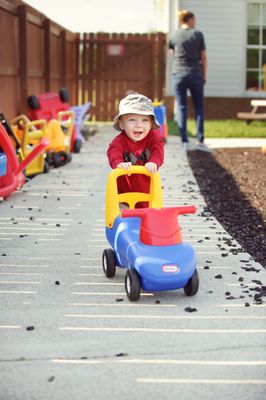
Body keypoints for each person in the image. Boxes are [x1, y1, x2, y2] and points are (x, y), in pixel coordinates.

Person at [107, 93, 164, 207]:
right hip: (124, 194)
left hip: (148, 192)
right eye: (132, 120)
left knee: (150, 218)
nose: (139, 125)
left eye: (145, 120)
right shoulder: (120, 141)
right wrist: (118, 164)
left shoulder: (153, 138)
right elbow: (113, 152)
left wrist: (154, 162)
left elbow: (158, 151)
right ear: (121, 124)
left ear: (151, 123)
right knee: (126, 218)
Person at [169, 10, 209, 151]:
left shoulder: (174, 34)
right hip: (195, 74)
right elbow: (203, 57)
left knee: (181, 108)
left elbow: (173, 54)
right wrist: (204, 75)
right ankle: (199, 141)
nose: (195, 22)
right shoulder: (197, 34)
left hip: (178, 74)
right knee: (199, 108)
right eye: (194, 19)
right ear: (190, 19)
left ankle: (184, 141)